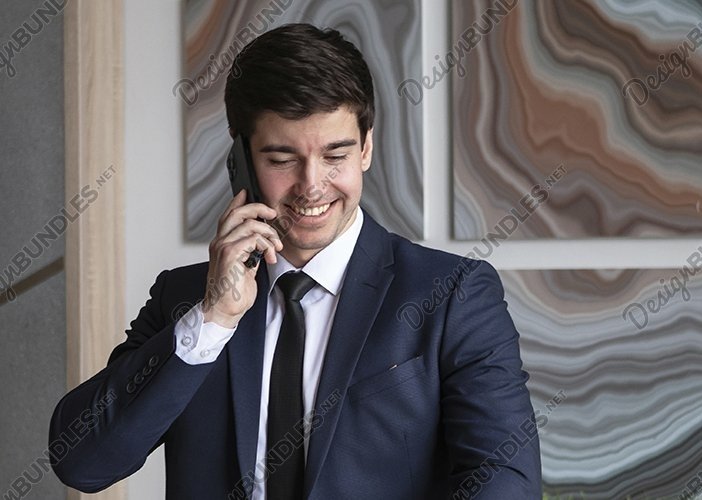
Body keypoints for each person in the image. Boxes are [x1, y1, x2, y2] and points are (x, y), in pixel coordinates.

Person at [49, 23, 541, 499]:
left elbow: (505, 479)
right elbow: (83, 462)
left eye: (335, 155)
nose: (312, 186)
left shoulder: (452, 293)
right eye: (282, 158)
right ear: (240, 159)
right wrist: (213, 320)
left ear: (366, 147)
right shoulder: (185, 302)